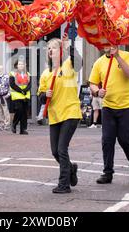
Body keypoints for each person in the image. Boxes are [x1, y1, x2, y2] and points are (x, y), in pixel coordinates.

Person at [89, 45, 129, 184]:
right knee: (107, 140)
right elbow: (93, 83)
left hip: (127, 105)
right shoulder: (99, 62)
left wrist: (117, 56)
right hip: (108, 106)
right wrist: (97, 91)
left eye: (110, 42)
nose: (107, 46)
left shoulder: (127, 55)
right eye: (104, 43)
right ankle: (107, 172)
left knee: (125, 139)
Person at [38, 35, 81, 193]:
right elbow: (41, 96)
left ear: (61, 51)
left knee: (62, 149)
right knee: (55, 151)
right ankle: (70, 169)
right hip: (55, 115)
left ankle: (64, 184)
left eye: (54, 47)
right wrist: (45, 95)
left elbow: (78, 62)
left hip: (70, 111)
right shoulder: (45, 73)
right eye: (48, 48)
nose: (50, 50)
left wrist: (69, 46)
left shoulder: (68, 65)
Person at [9, 58, 31, 135]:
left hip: (25, 96)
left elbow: (29, 85)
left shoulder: (28, 74)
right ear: (16, 65)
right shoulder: (12, 73)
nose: (21, 65)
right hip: (17, 95)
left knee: (24, 113)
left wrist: (25, 90)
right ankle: (14, 124)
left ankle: (23, 129)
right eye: (19, 64)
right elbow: (12, 84)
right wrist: (21, 90)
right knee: (19, 110)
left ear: (25, 65)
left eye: (22, 64)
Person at [0, 65, 11, 131]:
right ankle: (1, 125)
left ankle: (7, 125)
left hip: (4, 96)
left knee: (5, 111)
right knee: (0, 111)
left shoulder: (7, 77)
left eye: (1, 69)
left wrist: (8, 95)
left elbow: (10, 87)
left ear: (3, 70)